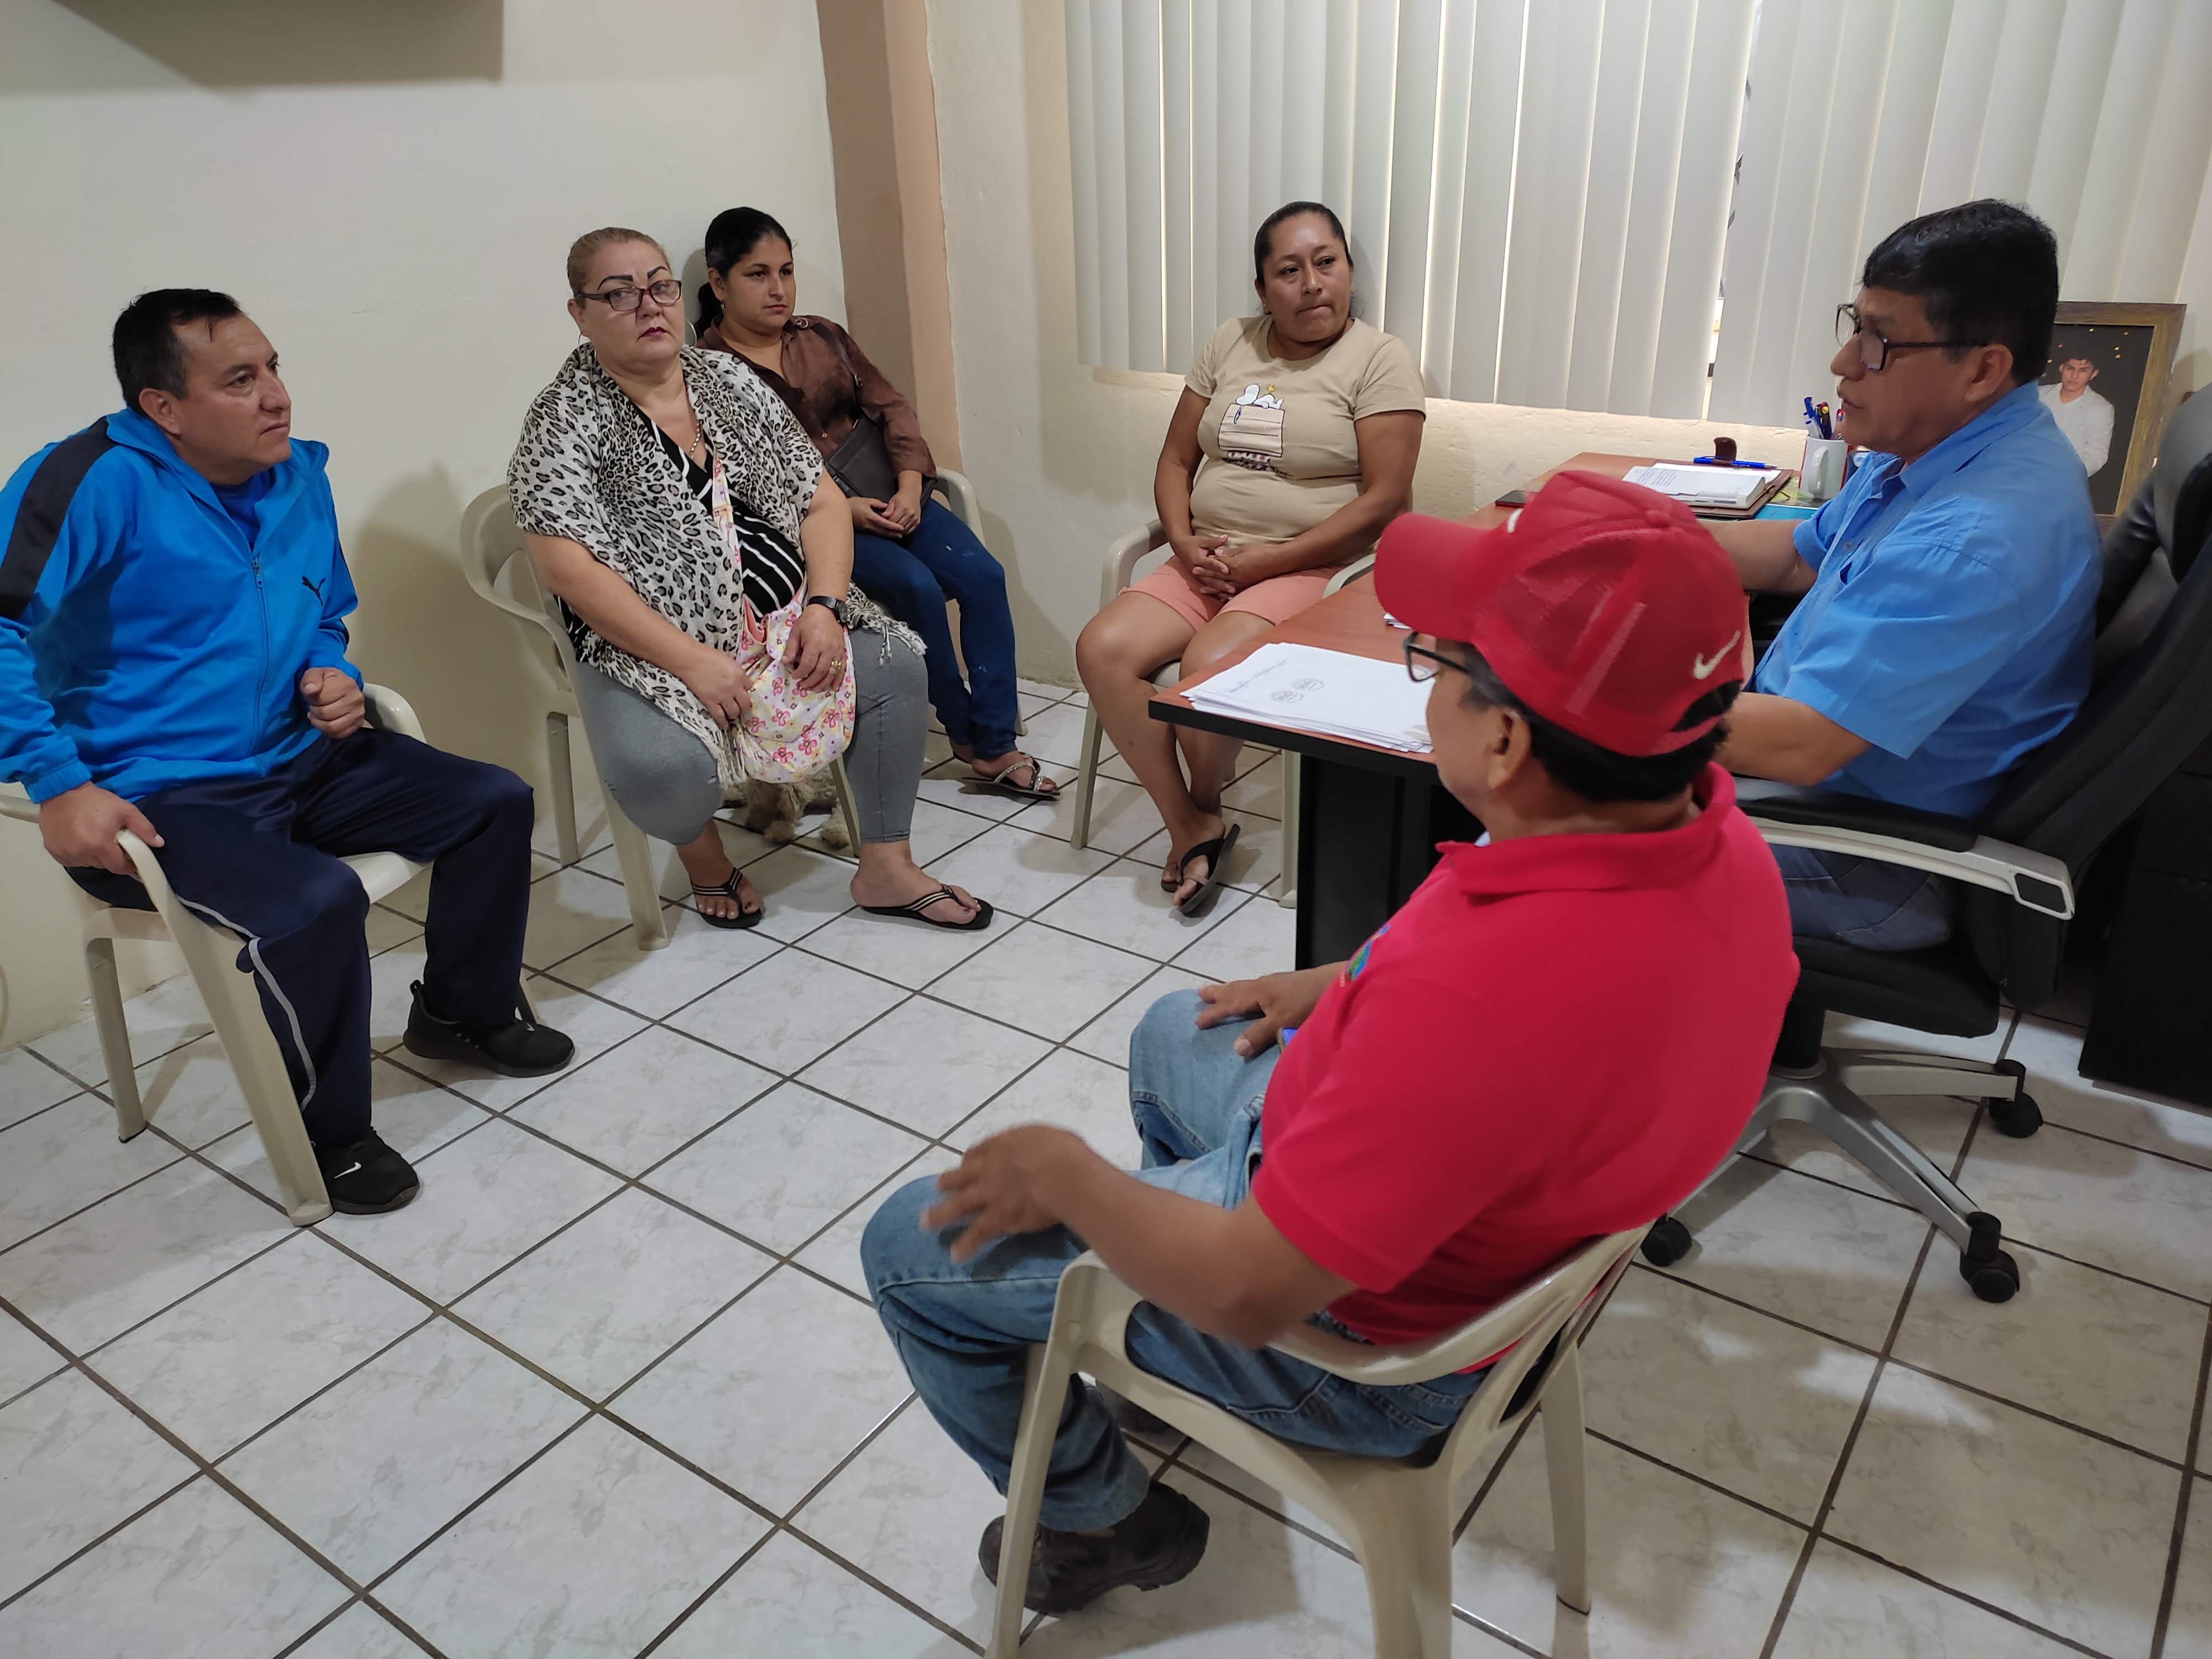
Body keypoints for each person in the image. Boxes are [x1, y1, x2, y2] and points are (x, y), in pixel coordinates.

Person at [864, 472, 1797, 1617]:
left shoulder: (1479, 1004)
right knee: (1176, 1030)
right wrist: (1332, 986)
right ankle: (1152, 1327)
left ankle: (1105, 1518)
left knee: (908, 1247)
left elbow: (1252, 1290)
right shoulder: (1711, 840)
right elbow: (1467, 1007)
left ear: (1505, 739)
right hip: (1456, 1209)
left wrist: (1067, 1177)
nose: (1425, 683)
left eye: (1435, 663)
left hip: (1367, 1348)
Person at [0, 290, 573, 1214]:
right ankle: (331, 1133)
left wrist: (331, 671)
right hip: (152, 794)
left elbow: (324, 610)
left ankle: (460, 1013)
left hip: (297, 757)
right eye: (240, 380)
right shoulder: (89, 481)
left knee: (494, 802)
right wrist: (59, 782)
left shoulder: (297, 473)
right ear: (163, 407)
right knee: (315, 903)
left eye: (273, 368)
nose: (276, 395)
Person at [509, 228, 992, 931]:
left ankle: (887, 866)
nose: (648, 305)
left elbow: (820, 501)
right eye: (618, 294)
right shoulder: (563, 419)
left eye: (659, 286)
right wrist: (692, 660)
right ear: (579, 314)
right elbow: (565, 567)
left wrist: (825, 607)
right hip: (645, 647)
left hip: (785, 614)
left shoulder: (727, 379)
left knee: (893, 663)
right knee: (659, 768)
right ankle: (706, 860)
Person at [1710, 200, 2101, 951]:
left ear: (1982, 369)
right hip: (1808, 783)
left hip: (1868, 854)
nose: (1843, 363)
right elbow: (1798, 556)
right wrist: (1629, 538)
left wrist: (1572, 699)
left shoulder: (1976, 537)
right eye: (1854, 326)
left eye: (1880, 342)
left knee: (1542, 819)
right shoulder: (1937, 448)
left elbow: (1803, 745)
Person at [1076, 200, 1425, 916]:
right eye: (1288, 272)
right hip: (1206, 558)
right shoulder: (1231, 342)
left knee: (1208, 666)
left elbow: (1386, 499)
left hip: (1313, 568)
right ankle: (1190, 823)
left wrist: (1272, 561)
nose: (1311, 284)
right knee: (1101, 649)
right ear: (1264, 290)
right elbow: (1176, 461)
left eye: (1325, 263)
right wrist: (1183, 541)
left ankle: (1206, 803)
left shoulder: (1379, 359)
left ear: (1348, 271)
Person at [695, 207, 1055, 802]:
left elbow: (892, 409)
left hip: (895, 497)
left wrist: (911, 487)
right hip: (821, 528)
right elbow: (744, 482)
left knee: (983, 576)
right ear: (718, 283)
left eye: (786, 271)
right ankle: (966, 735)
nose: (778, 288)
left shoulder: (822, 336)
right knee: (916, 588)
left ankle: (995, 737)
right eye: (757, 274)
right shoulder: (708, 374)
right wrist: (844, 510)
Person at [2039, 354, 2115, 477]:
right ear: (2062, 368)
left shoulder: (2101, 409)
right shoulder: (2038, 395)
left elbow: (2096, 455)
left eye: (2083, 370)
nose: (2074, 376)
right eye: (2070, 368)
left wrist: (2067, 476)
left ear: (2094, 374)